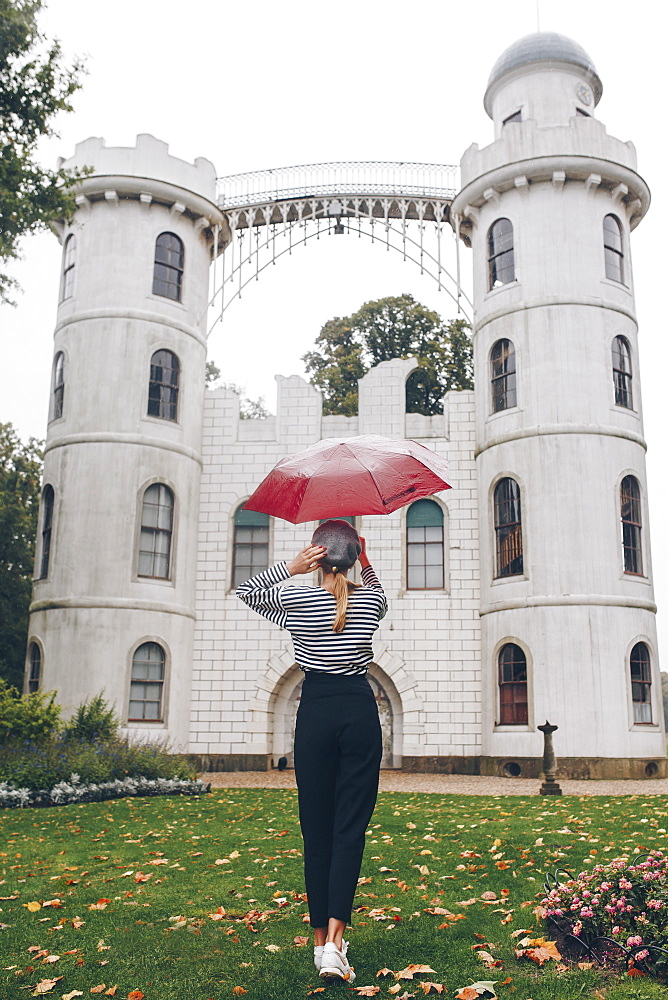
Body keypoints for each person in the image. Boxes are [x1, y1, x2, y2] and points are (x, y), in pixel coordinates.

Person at [236, 519, 387, 983]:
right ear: (354, 554)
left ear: (318, 557)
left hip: (315, 712)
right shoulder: (372, 601)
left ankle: (321, 941)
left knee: (316, 829)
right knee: (350, 828)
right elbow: (378, 588)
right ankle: (336, 943)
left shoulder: (296, 599)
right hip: (358, 712)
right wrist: (364, 556)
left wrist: (291, 566)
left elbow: (247, 591)